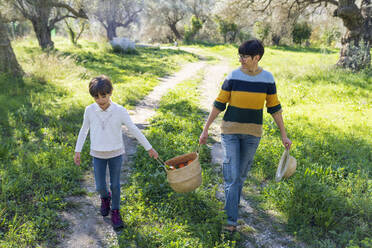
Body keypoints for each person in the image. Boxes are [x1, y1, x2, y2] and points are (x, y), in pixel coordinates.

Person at [199, 39, 292, 232]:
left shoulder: (267, 78)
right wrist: (206, 128)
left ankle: (231, 204)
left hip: (253, 134)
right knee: (233, 177)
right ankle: (231, 220)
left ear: (256, 58)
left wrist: (284, 135)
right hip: (230, 132)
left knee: (240, 176)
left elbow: (274, 108)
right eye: (240, 56)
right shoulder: (233, 76)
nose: (241, 59)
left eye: (245, 56)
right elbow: (219, 104)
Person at [74, 75, 158, 229]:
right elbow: (83, 130)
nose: (100, 100)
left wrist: (149, 148)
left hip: (116, 154)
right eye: (96, 97)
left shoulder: (120, 111)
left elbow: (133, 129)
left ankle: (115, 211)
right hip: (97, 154)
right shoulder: (90, 110)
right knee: (100, 186)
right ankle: (105, 198)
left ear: (110, 92)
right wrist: (77, 150)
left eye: (103, 96)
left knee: (115, 185)